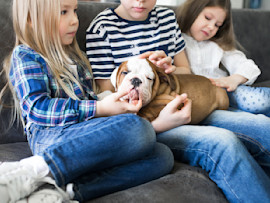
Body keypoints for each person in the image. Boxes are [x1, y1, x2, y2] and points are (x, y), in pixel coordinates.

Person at [86, 0, 270, 202]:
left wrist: (168, 68)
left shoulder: (165, 18)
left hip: (189, 102)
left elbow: (184, 71)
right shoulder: (102, 27)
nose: (140, 1)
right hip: (154, 121)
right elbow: (106, 92)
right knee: (223, 142)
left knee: (262, 126)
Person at [0, 0, 175, 202]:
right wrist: (101, 108)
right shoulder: (26, 55)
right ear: (31, 20)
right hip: (49, 135)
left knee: (162, 155)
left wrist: (119, 101)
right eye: (63, 12)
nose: (75, 20)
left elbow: (91, 100)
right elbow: (37, 109)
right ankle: (31, 171)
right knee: (140, 128)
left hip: (86, 132)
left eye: (74, 11)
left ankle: (62, 192)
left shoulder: (77, 57)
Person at [177, 0, 270, 116]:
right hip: (199, 97)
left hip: (225, 91)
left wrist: (234, 79)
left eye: (217, 25)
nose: (211, 27)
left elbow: (249, 67)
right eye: (207, 18)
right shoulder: (175, 40)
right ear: (192, 12)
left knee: (263, 99)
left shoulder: (217, 45)